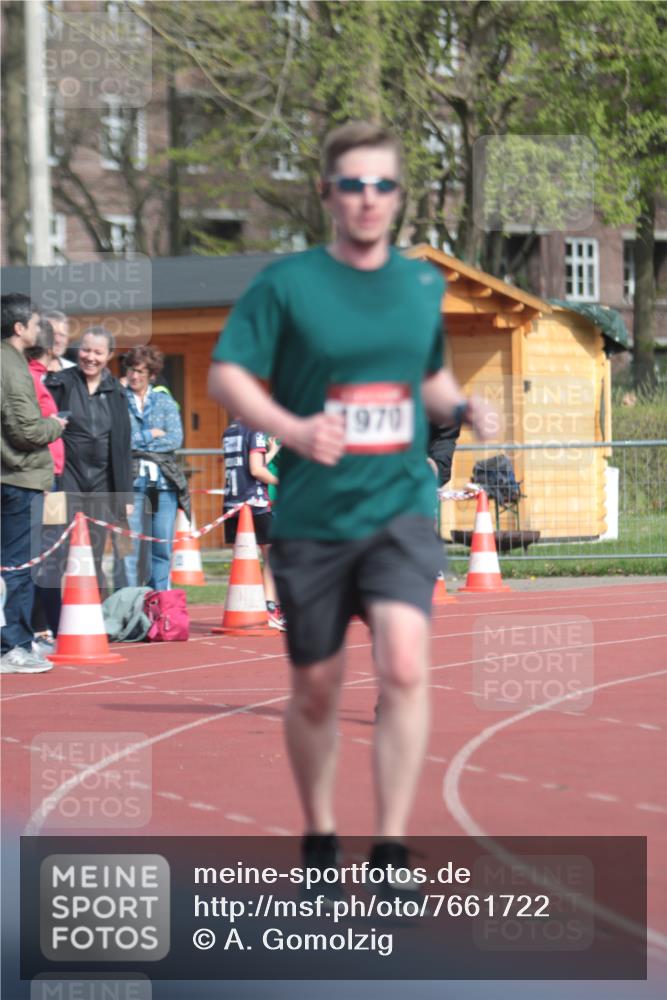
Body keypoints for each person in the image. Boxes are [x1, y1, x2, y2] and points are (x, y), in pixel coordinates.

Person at [207, 121, 491, 883]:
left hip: (397, 506)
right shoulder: (287, 284)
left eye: (383, 185)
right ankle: (321, 834)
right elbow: (227, 376)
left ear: (398, 197)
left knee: (402, 666)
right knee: (317, 688)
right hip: (313, 514)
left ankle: (391, 845)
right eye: (353, 184)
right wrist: (291, 425)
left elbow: (426, 375)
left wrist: (464, 406)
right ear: (328, 194)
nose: (369, 199)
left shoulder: (418, 283)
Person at [1, 294, 66, 674]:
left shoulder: (12, 363)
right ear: (19, 327)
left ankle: (16, 642)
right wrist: (55, 425)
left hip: (13, 474)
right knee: (17, 567)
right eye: (37, 322)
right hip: (18, 477)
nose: (42, 329)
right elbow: (26, 429)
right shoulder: (12, 366)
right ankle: (14, 646)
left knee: (12, 566)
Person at [45, 327, 133, 597]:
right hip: (65, 480)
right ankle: (48, 621)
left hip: (102, 484)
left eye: (98, 352)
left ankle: (93, 613)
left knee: (93, 553)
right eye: (85, 350)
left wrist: (125, 495)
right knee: (56, 551)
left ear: (108, 356)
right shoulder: (60, 383)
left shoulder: (116, 391)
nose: (90, 357)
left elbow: (122, 446)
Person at [122, 346, 188, 591]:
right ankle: (130, 607)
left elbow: (175, 439)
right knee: (129, 551)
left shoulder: (164, 400)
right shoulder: (118, 399)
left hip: (164, 485)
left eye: (139, 371)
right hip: (130, 484)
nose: (134, 375)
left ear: (151, 374)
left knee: (161, 548)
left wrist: (136, 441)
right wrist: (150, 434)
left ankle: (159, 605)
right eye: (130, 369)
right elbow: (119, 440)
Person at [26, 318, 66, 648]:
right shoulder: (30, 377)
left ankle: (47, 625)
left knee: (51, 554)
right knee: (38, 555)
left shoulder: (48, 377)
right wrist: (55, 424)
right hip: (39, 478)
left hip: (54, 478)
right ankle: (36, 628)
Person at [222, 418, 285, 630]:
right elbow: (256, 470)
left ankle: (245, 606)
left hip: (232, 501)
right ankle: (269, 607)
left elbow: (247, 464)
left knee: (244, 557)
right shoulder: (256, 430)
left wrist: (272, 452)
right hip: (255, 502)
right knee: (272, 554)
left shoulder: (230, 432)